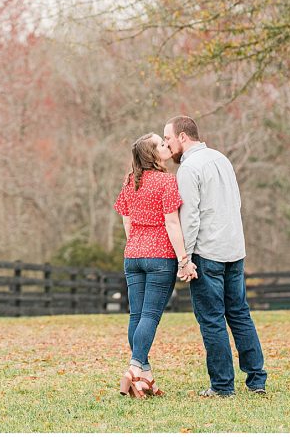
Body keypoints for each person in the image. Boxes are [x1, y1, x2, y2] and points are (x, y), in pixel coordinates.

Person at [163, 115, 268, 397]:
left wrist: (185, 259)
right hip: (234, 249)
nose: (166, 145)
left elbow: (191, 217)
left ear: (183, 137)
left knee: (211, 319)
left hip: (207, 252)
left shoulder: (188, 168)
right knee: (239, 314)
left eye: (168, 139)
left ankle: (222, 386)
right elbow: (235, 203)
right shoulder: (221, 159)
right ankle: (256, 379)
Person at [111, 132, 197, 399]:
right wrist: (184, 259)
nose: (165, 145)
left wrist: (137, 243)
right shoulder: (165, 181)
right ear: (152, 154)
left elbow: (126, 220)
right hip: (160, 257)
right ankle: (134, 369)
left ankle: (145, 377)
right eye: (161, 144)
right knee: (150, 316)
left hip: (133, 255)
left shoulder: (129, 181)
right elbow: (172, 223)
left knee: (136, 316)